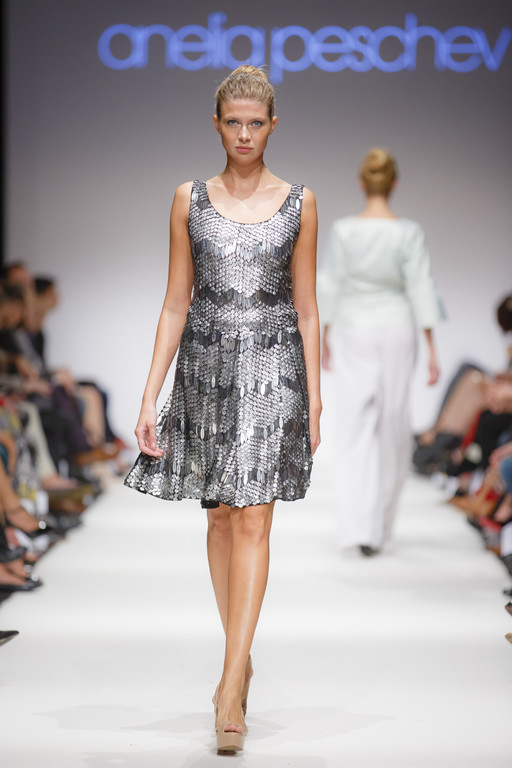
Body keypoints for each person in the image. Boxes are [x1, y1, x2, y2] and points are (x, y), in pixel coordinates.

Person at [125, 66, 321, 754]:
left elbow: (307, 306)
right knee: (219, 517)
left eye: (255, 123)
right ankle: (240, 656)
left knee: (256, 517)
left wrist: (315, 398)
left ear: (273, 125)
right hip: (205, 370)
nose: (244, 134)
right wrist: (149, 393)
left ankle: (231, 681)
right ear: (216, 125)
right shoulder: (188, 199)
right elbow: (175, 301)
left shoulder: (300, 202)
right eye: (233, 122)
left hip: (274, 369)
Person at [319, 148, 442, 556]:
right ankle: (381, 528)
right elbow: (421, 286)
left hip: (355, 328)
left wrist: (324, 335)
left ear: (361, 183)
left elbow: (331, 283)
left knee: (354, 429)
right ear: (394, 184)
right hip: (398, 328)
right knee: (393, 428)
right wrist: (432, 348)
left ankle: (359, 529)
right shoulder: (408, 232)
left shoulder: (344, 231)